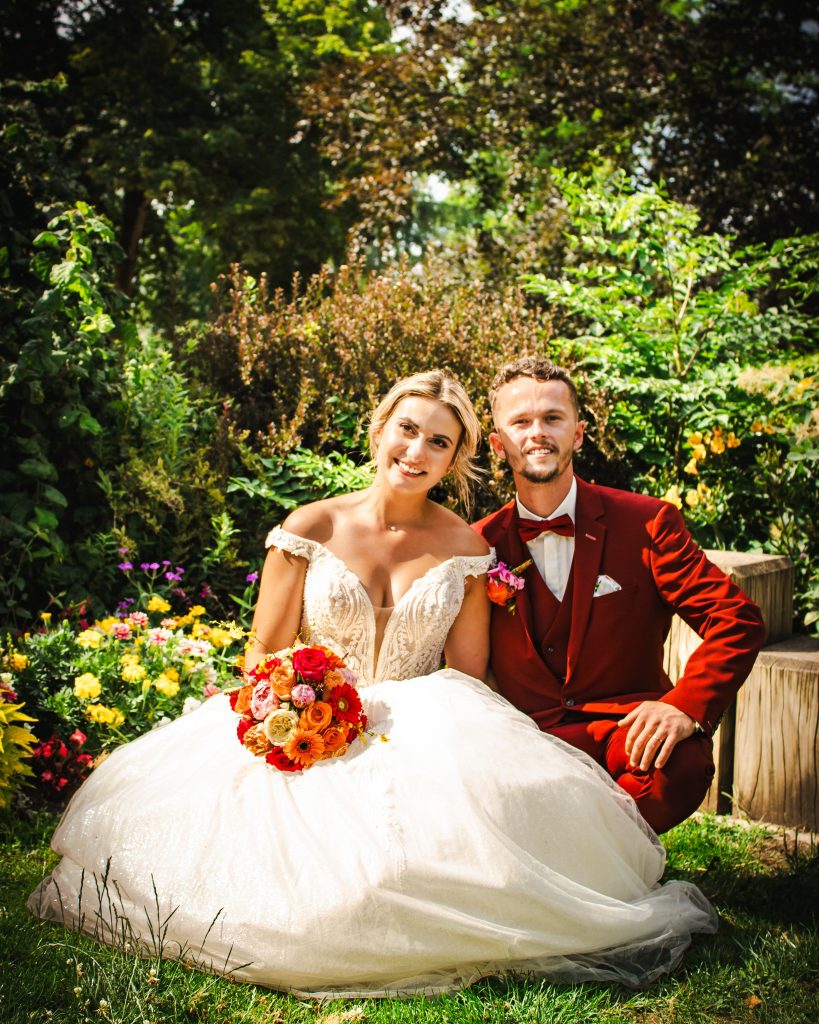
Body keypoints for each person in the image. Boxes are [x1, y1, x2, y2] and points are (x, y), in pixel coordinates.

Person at [29, 370, 717, 997]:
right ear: (379, 429)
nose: (416, 452)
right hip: (304, 708)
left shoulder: (468, 548)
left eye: (438, 442)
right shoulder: (309, 526)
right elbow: (263, 648)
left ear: (456, 459)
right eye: (407, 430)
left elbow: (468, 672)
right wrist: (291, 703)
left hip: (422, 715)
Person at [473, 357, 766, 835]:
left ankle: (579, 864)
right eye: (520, 422)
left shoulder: (647, 523)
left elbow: (736, 618)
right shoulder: (476, 545)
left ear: (579, 433)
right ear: (497, 443)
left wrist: (684, 704)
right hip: (523, 740)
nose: (537, 432)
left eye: (553, 418)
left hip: (623, 731)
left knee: (682, 765)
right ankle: (586, 867)